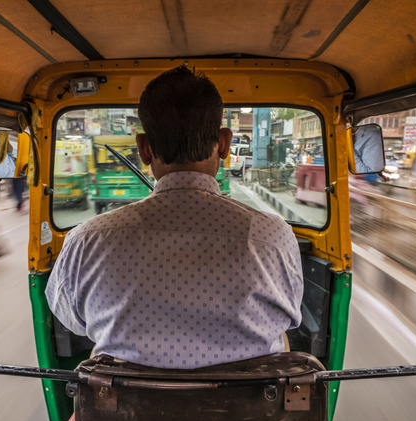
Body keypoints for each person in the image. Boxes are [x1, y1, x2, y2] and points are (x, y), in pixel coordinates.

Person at [46, 66, 303, 372]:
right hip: (246, 416)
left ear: (143, 148)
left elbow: (74, 322)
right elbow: (288, 315)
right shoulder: (273, 236)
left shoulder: (87, 239)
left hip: (125, 417)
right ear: (223, 143)